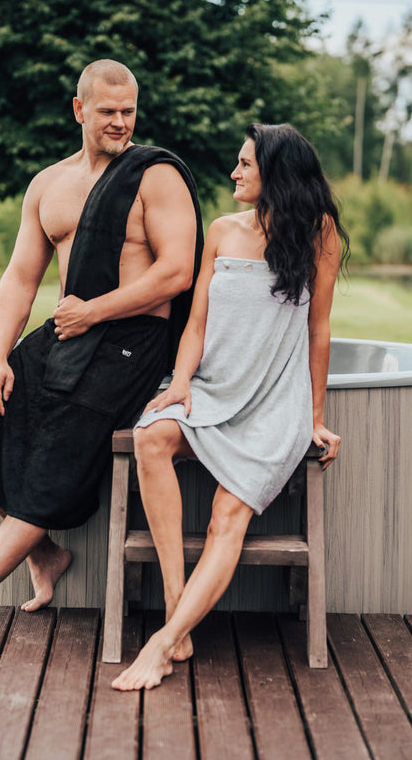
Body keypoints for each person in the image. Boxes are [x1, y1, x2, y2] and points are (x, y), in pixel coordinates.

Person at [0, 59, 203, 639]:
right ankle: (45, 553)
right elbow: (20, 278)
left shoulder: (155, 176)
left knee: (58, 455)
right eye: (108, 111)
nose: (120, 122)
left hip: (131, 343)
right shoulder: (49, 184)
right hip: (71, 332)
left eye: (129, 111)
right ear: (79, 110)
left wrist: (95, 310)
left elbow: (176, 272)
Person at [112, 122, 349, 691]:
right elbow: (196, 322)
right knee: (150, 436)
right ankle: (178, 608)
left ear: (277, 173)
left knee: (226, 517)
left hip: (274, 403)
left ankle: (162, 644)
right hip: (213, 389)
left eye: (246, 164)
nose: (234, 172)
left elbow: (319, 330)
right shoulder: (220, 230)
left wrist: (314, 417)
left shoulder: (319, 233)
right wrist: (181, 384)